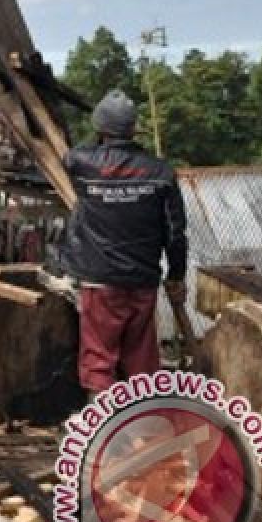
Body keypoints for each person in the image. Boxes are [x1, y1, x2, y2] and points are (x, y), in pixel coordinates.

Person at [61, 90, 188, 395]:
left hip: (100, 281)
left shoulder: (81, 164)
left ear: (99, 128)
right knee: (141, 363)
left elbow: (72, 154)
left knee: (99, 361)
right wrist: (176, 275)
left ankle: (103, 432)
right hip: (143, 281)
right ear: (133, 129)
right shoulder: (161, 172)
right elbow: (175, 232)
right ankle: (142, 432)